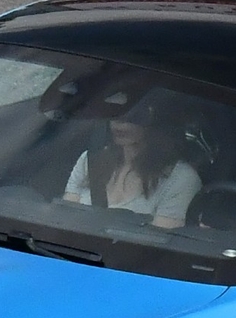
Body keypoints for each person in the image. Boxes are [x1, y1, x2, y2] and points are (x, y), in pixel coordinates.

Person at [61, 91, 202, 230]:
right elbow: (65, 220)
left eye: (136, 114)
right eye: (116, 112)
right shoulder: (89, 160)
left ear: (159, 120)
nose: (120, 122)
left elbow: (156, 245)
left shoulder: (180, 179)